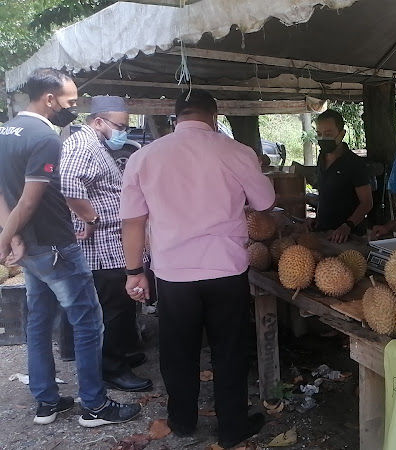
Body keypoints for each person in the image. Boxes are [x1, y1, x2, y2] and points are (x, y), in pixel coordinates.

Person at [120, 89, 276, 448]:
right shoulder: (236, 152)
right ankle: (233, 426)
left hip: (174, 274)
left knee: (177, 351)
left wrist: (133, 272)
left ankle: (183, 421)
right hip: (226, 271)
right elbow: (265, 201)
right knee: (230, 351)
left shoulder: (144, 157)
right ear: (214, 116)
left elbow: (132, 221)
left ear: (176, 117)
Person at [0, 68, 140, 427]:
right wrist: (4, 239)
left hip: (29, 247)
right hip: (56, 245)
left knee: (39, 321)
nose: (72, 109)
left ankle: (47, 402)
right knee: (88, 323)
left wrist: (13, 235)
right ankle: (95, 405)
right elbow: (30, 202)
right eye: (70, 102)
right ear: (49, 99)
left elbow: (2, 191)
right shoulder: (46, 138)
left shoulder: (6, 131)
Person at [60, 95, 152, 392]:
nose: (124, 132)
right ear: (98, 121)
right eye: (120, 126)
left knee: (121, 306)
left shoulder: (96, 145)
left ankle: (119, 355)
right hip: (101, 244)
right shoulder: (82, 144)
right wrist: (91, 219)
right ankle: (111, 369)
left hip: (113, 240)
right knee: (112, 308)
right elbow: (67, 185)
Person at [310, 109, 372, 243]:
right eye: (319, 134)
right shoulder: (321, 157)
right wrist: (318, 219)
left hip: (350, 237)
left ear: (342, 134)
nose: (322, 139)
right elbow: (326, 195)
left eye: (328, 134)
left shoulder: (355, 163)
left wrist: (347, 226)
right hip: (324, 233)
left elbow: (367, 202)